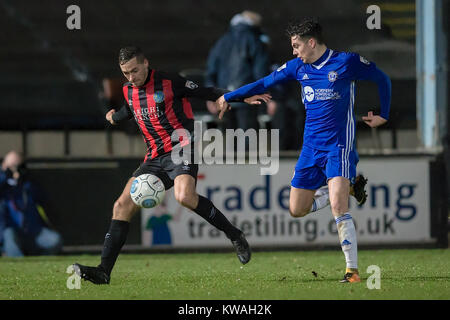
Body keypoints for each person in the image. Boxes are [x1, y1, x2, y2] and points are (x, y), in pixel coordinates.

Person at [73, 46, 268, 285]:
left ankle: (235, 235)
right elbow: (130, 109)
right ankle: (104, 271)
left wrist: (239, 96)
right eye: (126, 73)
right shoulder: (128, 90)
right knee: (121, 206)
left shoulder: (169, 81)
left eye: (135, 70)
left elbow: (206, 91)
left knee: (185, 196)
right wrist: (114, 117)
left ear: (146, 64)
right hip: (154, 158)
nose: (131, 77)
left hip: (181, 149)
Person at [216, 18, 391, 283]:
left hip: (338, 146)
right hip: (310, 149)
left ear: (311, 42)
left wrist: (384, 115)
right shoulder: (298, 67)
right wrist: (229, 96)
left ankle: (352, 271)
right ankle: (350, 188)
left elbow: (382, 78)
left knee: (338, 207)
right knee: (297, 209)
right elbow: (265, 82)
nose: (294, 51)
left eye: (297, 46)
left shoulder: (346, 62)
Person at [205, 10, 271, 133]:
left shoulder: (222, 41)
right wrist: (268, 96)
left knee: (230, 142)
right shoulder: (255, 41)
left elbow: (211, 71)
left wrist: (210, 97)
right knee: (248, 141)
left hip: (224, 97)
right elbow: (261, 72)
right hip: (247, 98)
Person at [0, 151, 63, 257]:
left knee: (55, 240)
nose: (14, 169)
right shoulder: (3, 185)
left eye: (18, 166)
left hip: (32, 231)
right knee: (10, 238)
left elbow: (44, 200)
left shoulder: (28, 184)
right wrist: (4, 176)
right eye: (11, 166)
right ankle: (18, 264)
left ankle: (39, 260)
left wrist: (23, 177)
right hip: (10, 230)